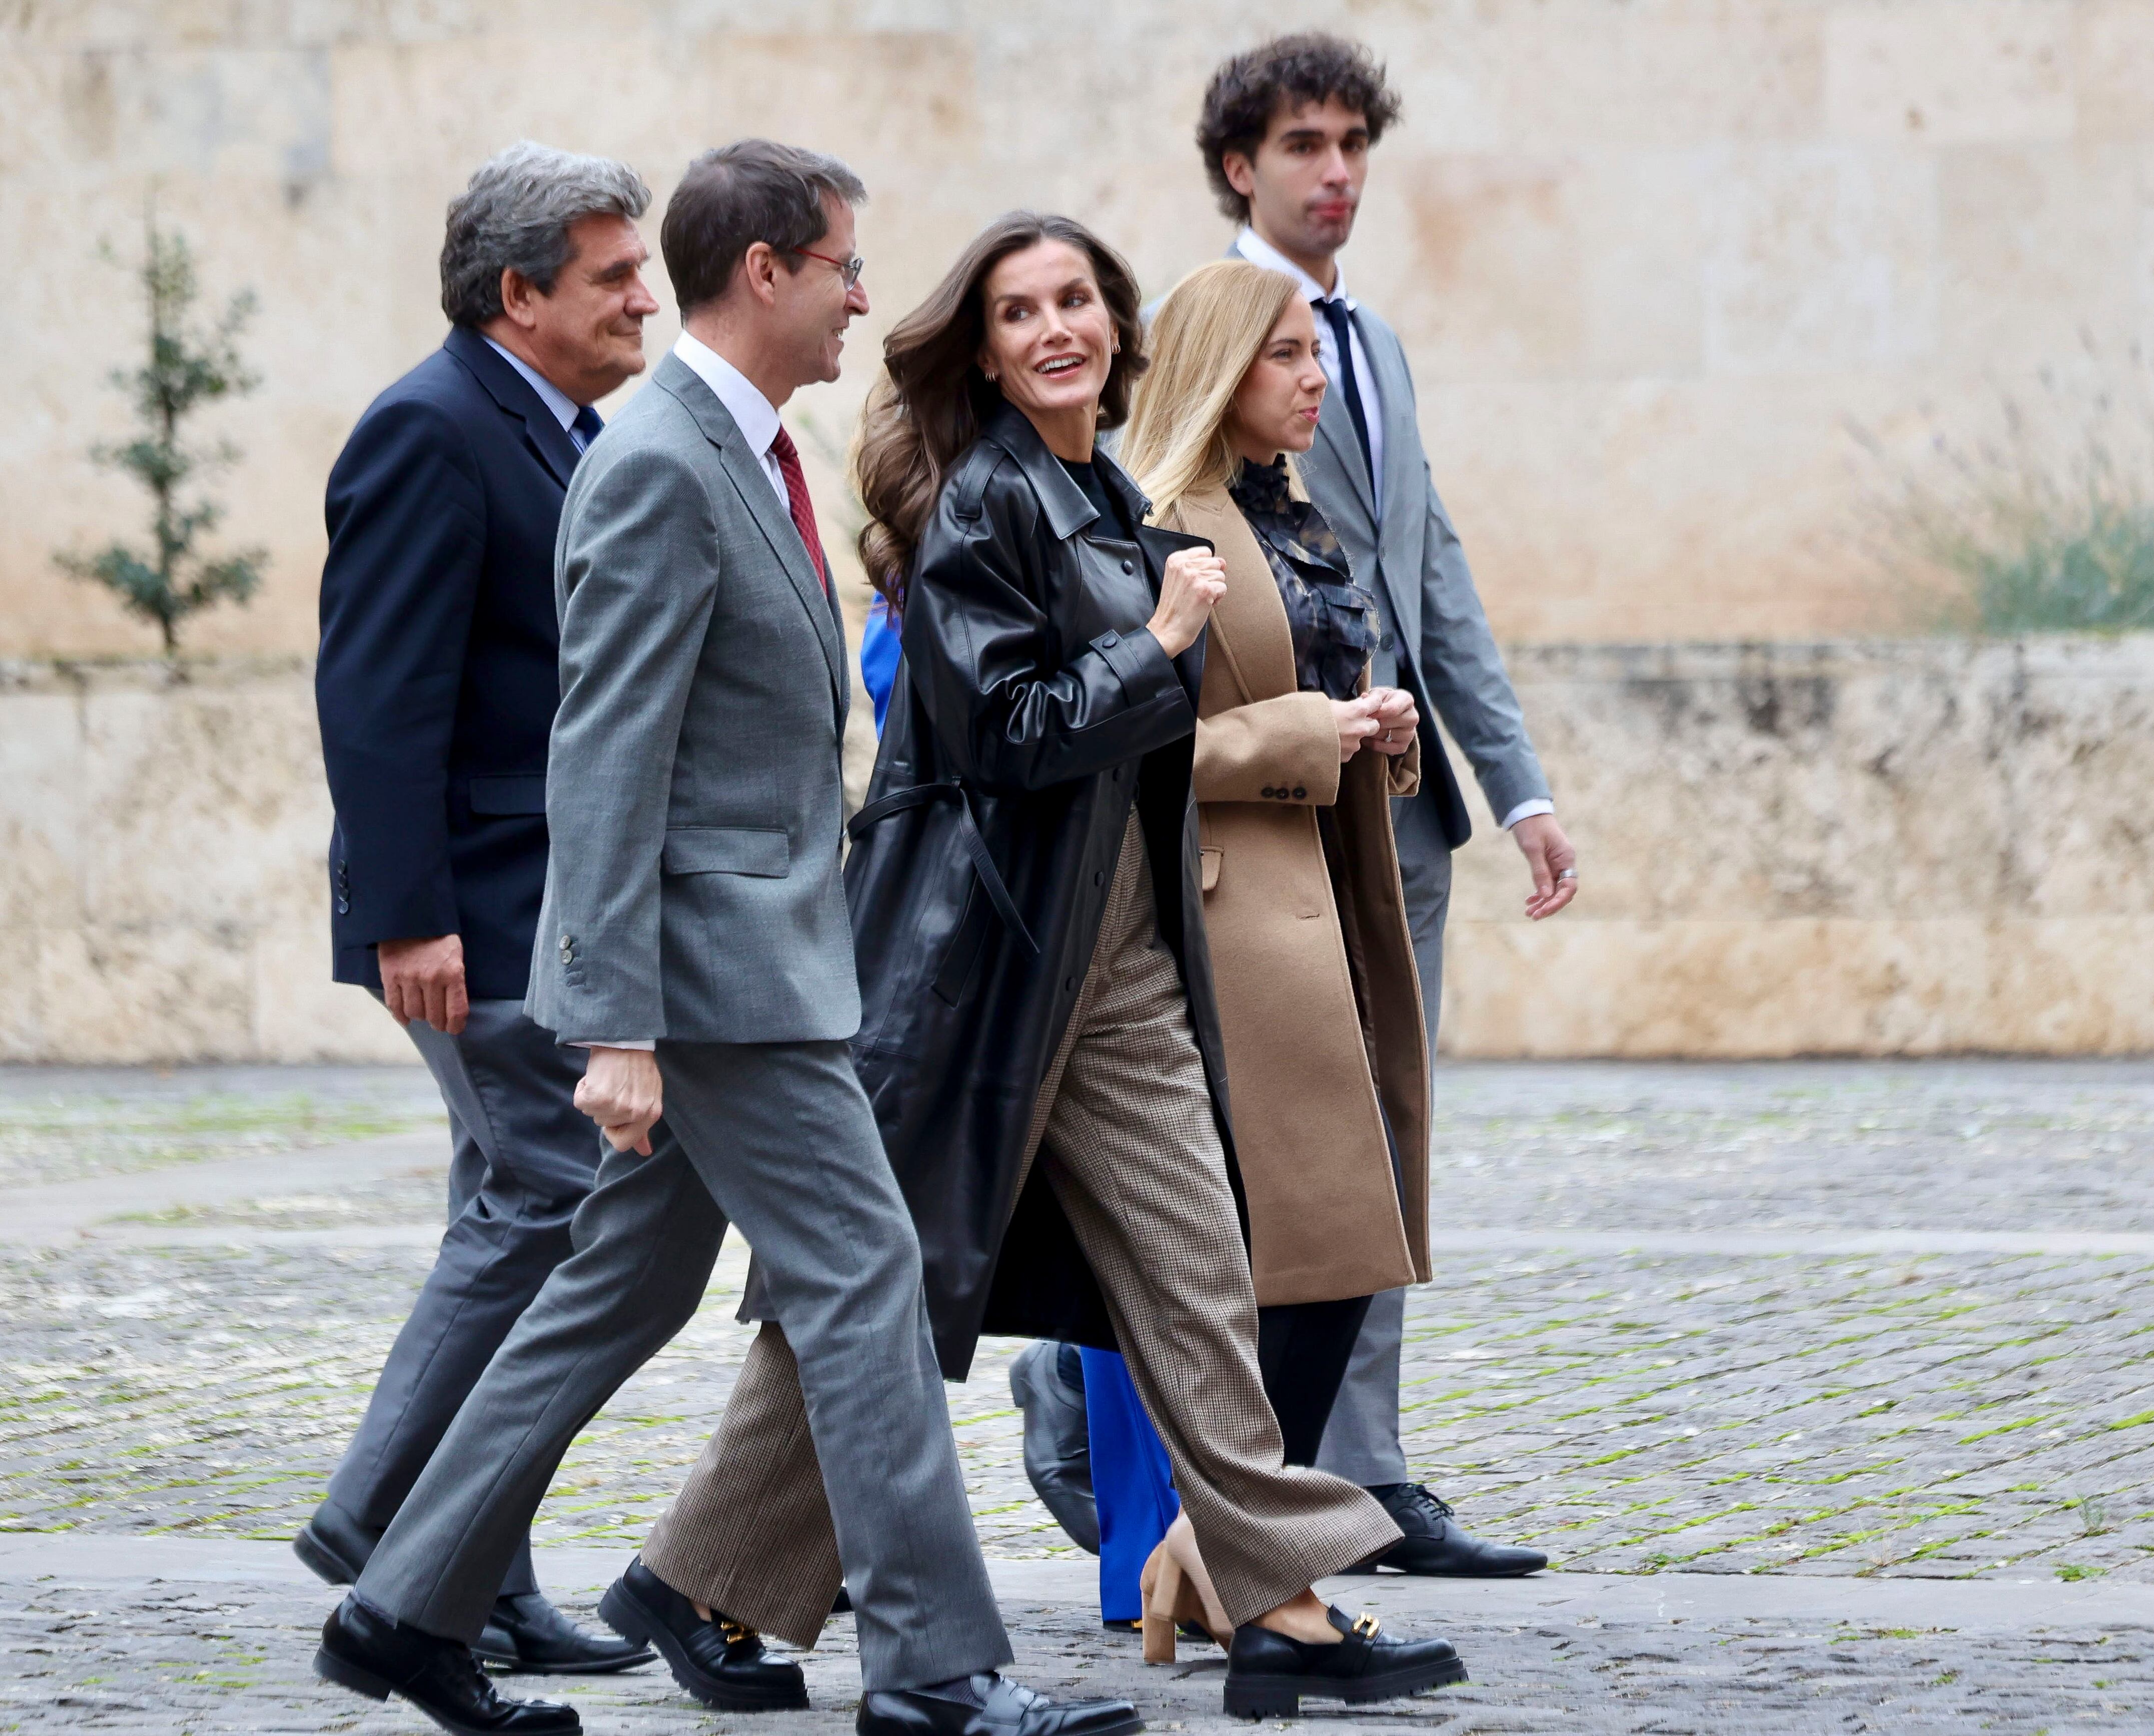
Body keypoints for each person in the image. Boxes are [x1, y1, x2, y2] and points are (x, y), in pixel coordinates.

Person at [311, 143, 1140, 1736]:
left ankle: (402, 1609)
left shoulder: (733, 447)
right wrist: (614, 1021)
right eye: (841, 263)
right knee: (868, 1277)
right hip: (715, 981)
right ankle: (937, 1671)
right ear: (764, 269)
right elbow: (603, 758)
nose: (861, 295)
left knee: (613, 1288)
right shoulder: (661, 461)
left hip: (746, 960)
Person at [625, 210, 1470, 1723]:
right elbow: (1009, 733)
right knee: (883, 1286)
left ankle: (1275, 1605)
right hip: (985, 966)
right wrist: (1157, 645)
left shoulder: (1108, 496)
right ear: (991, 351)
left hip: (1119, 953)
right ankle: (694, 1573)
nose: (1056, 329)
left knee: (1198, 1265)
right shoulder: (983, 508)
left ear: (1117, 327)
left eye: (1077, 300)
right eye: (1021, 313)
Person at [1207, 31, 1574, 1574]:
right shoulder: (1204, 329)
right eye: (1305, 143)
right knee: (1267, 1149)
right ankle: (1084, 1382)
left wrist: (1523, 784)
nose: (1337, 171)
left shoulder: (1379, 344)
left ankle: (1366, 1473)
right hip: (1272, 818)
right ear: (1242, 165)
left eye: (1356, 141)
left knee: (1388, 1143)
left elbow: (1435, 570)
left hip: (1407, 812)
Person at [306, 139, 660, 1675]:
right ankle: (382, 1516)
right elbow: (379, 691)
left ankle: (480, 1583)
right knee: (556, 1198)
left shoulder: (559, 429)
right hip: (478, 909)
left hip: (528, 897)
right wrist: (407, 916)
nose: (645, 296)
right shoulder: (431, 429)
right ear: (520, 294)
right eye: (614, 276)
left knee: (505, 1200)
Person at [1069, 258, 1440, 1648]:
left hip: (1324, 913)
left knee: (1348, 1248)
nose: (1314, 373)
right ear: (1224, 367)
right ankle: (1226, 1555)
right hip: (1228, 927)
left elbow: (1314, 697)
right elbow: (1133, 738)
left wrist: (1379, 742)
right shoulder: (1164, 523)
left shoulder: (1296, 518)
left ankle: (1203, 1550)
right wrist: (1303, 741)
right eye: (1284, 352)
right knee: (1299, 1252)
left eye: (1314, 348)